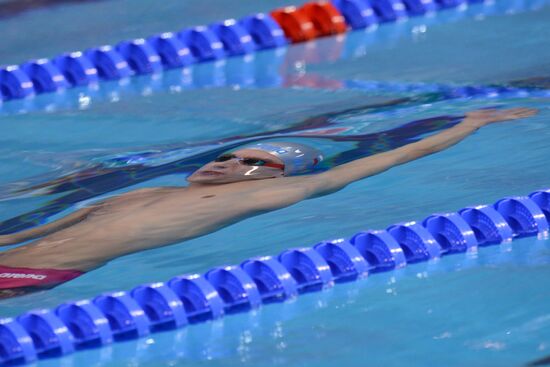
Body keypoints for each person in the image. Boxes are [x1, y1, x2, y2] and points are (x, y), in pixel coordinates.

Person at [0, 107, 537, 299]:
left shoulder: (279, 192)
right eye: (232, 156)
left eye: (252, 162)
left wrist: (469, 124)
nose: (230, 163)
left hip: (39, 274)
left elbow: (391, 159)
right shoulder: (143, 192)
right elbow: (20, 235)